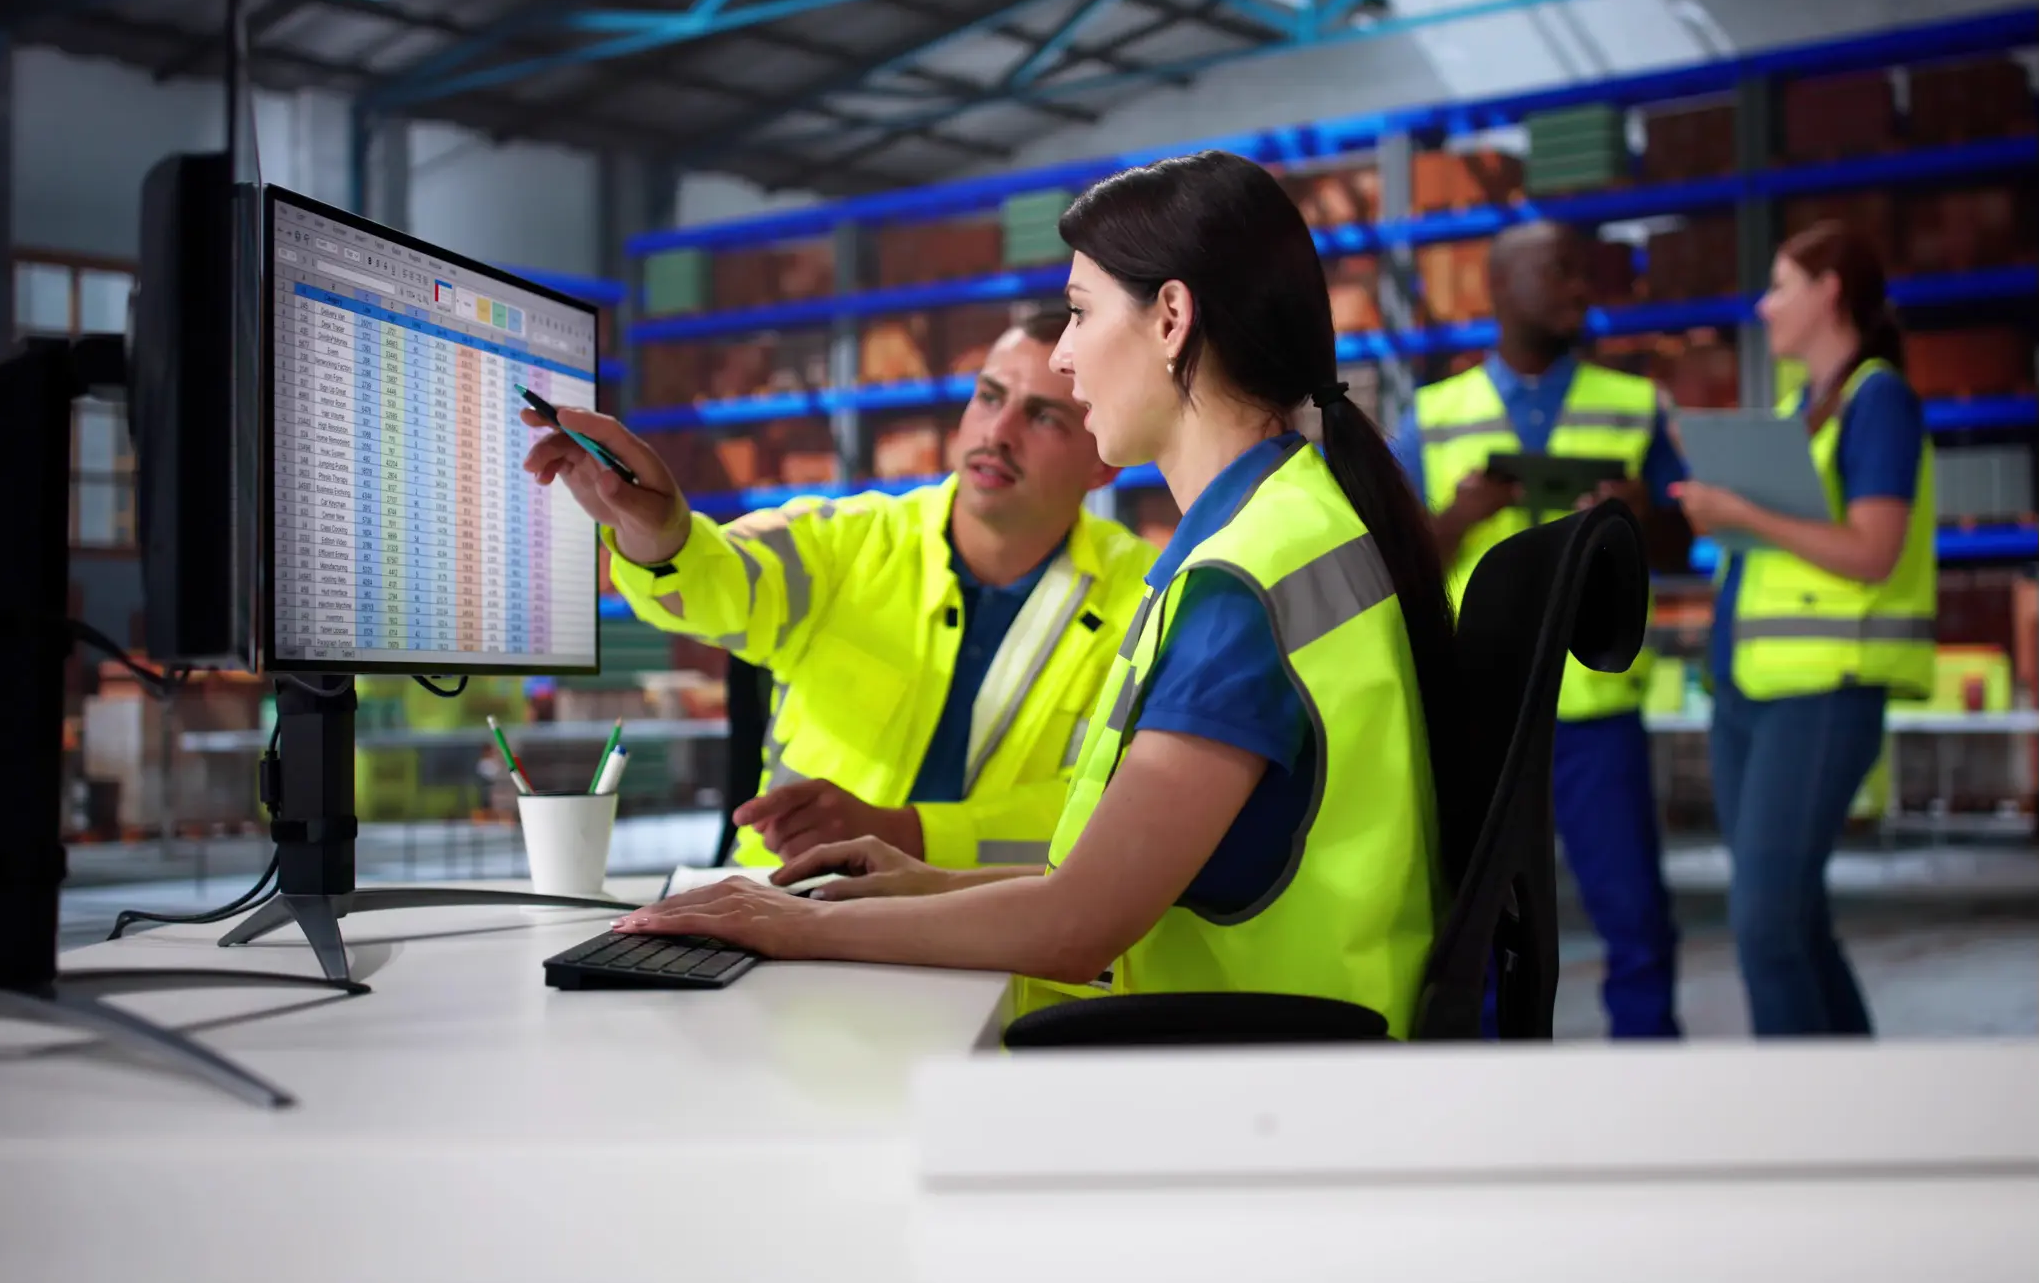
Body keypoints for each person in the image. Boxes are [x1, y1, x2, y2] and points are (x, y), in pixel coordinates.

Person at [608, 150, 1471, 1038]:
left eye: (1079, 312)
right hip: (1281, 1053)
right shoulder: (1282, 530)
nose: (1064, 354)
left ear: (1170, 318)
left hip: (1257, 1083)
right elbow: (1111, 880)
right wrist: (927, 882)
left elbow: (1078, 925)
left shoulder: (1240, 581)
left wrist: (797, 924)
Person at [521, 312, 1155, 871]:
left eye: (1044, 416)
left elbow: (1107, 810)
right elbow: (717, 581)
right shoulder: (845, 542)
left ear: (1103, 460)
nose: (1000, 432)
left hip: (993, 939)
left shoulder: (1147, 597)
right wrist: (660, 533)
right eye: (989, 398)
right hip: (783, 905)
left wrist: (911, 835)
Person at [1389, 220, 1683, 1040]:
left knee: (1634, 916)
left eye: (1579, 272)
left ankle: (1653, 1080)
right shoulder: (1433, 416)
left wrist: (1636, 517)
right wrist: (1461, 514)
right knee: (1480, 922)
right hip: (1483, 710)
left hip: (1595, 709)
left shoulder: (1634, 406)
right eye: (1559, 272)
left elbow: (1685, 537)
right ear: (1500, 289)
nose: (1578, 289)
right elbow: (1399, 559)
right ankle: (1488, 1093)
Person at [1672, 221, 1935, 1037]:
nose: (1763, 304)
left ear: (1828, 293)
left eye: (1780, 284)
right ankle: (1861, 1106)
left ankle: (1801, 1122)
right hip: (1751, 693)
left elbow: (1872, 551)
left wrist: (1739, 511)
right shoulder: (1799, 413)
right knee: (1795, 924)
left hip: (1824, 694)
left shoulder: (1876, 401)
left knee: (1766, 927)